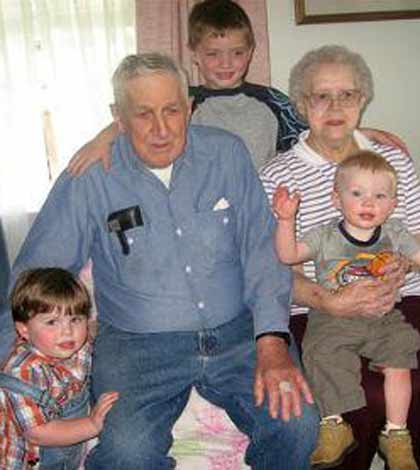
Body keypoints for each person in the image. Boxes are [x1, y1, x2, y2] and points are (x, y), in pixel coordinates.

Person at [0, 53, 319, 470]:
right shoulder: (91, 175)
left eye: (172, 110)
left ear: (189, 107)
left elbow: (262, 250)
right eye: (144, 114)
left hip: (239, 332)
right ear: (118, 116)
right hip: (137, 344)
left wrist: (273, 340)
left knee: (297, 425)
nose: (162, 129)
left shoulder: (226, 154)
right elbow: (36, 273)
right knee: (126, 454)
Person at [259, 44, 420, 470]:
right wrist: (327, 299)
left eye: (347, 95)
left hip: (403, 300)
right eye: (320, 96)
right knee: (361, 394)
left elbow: (418, 237)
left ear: (363, 100)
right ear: (300, 104)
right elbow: (272, 269)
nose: (335, 106)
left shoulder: (394, 162)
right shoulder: (277, 176)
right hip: (319, 308)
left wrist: (404, 265)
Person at [67, 0, 406, 175]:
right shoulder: (186, 104)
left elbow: (316, 131)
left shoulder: (271, 100)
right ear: (195, 54)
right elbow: (141, 121)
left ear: (251, 52)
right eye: (213, 54)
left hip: (265, 211)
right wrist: (102, 138)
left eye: (237, 53)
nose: (226, 63)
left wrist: (364, 132)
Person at [273, 151, 420, 470]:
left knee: (402, 354)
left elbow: (418, 254)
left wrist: (406, 263)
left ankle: (396, 435)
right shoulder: (324, 235)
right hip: (333, 317)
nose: (369, 203)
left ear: (392, 205)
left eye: (380, 195)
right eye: (357, 194)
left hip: (384, 316)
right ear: (336, 199)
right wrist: (286, 221)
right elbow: (287, 255)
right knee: (320, 353)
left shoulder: (394, 233)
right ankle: (334, 425)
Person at [0, 268, 119, 470]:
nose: (67, 331)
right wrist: (91, 424)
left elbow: (92, 330)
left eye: (75, 319)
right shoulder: (23, 374)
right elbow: (37, 433)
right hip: (29, 462)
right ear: (24, 330)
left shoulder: (76, 345)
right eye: (52, 322)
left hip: (67, 455)